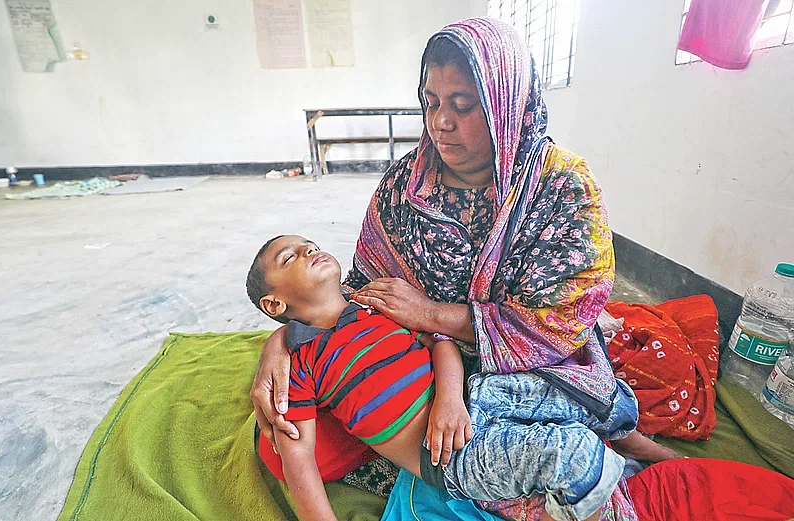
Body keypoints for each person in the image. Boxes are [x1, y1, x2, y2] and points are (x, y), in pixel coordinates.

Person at [250, 17, 676, 520]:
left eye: (462, 104)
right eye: (430, 102)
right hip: (424, 374)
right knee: (284, 442)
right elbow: (358, 292)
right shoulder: (405, 185)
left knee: (557, 423)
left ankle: (629, 446)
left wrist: (433, 315)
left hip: (528, 362)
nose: (440, 122)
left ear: (504, 101)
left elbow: (559, 323)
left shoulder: (563, 185)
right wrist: (281, 342)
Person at [246, 234, 643, 521]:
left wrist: (449, 401)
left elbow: (441, 343)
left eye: (309, 244)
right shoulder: (295, 364)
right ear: (274, 303)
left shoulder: (374, 304)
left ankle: (643, 449)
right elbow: (298, 458)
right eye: (290, 257)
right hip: (450, 455)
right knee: (569, 453)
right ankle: (607, 494)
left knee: (574, 388)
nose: (309, 250)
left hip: (475, 398)